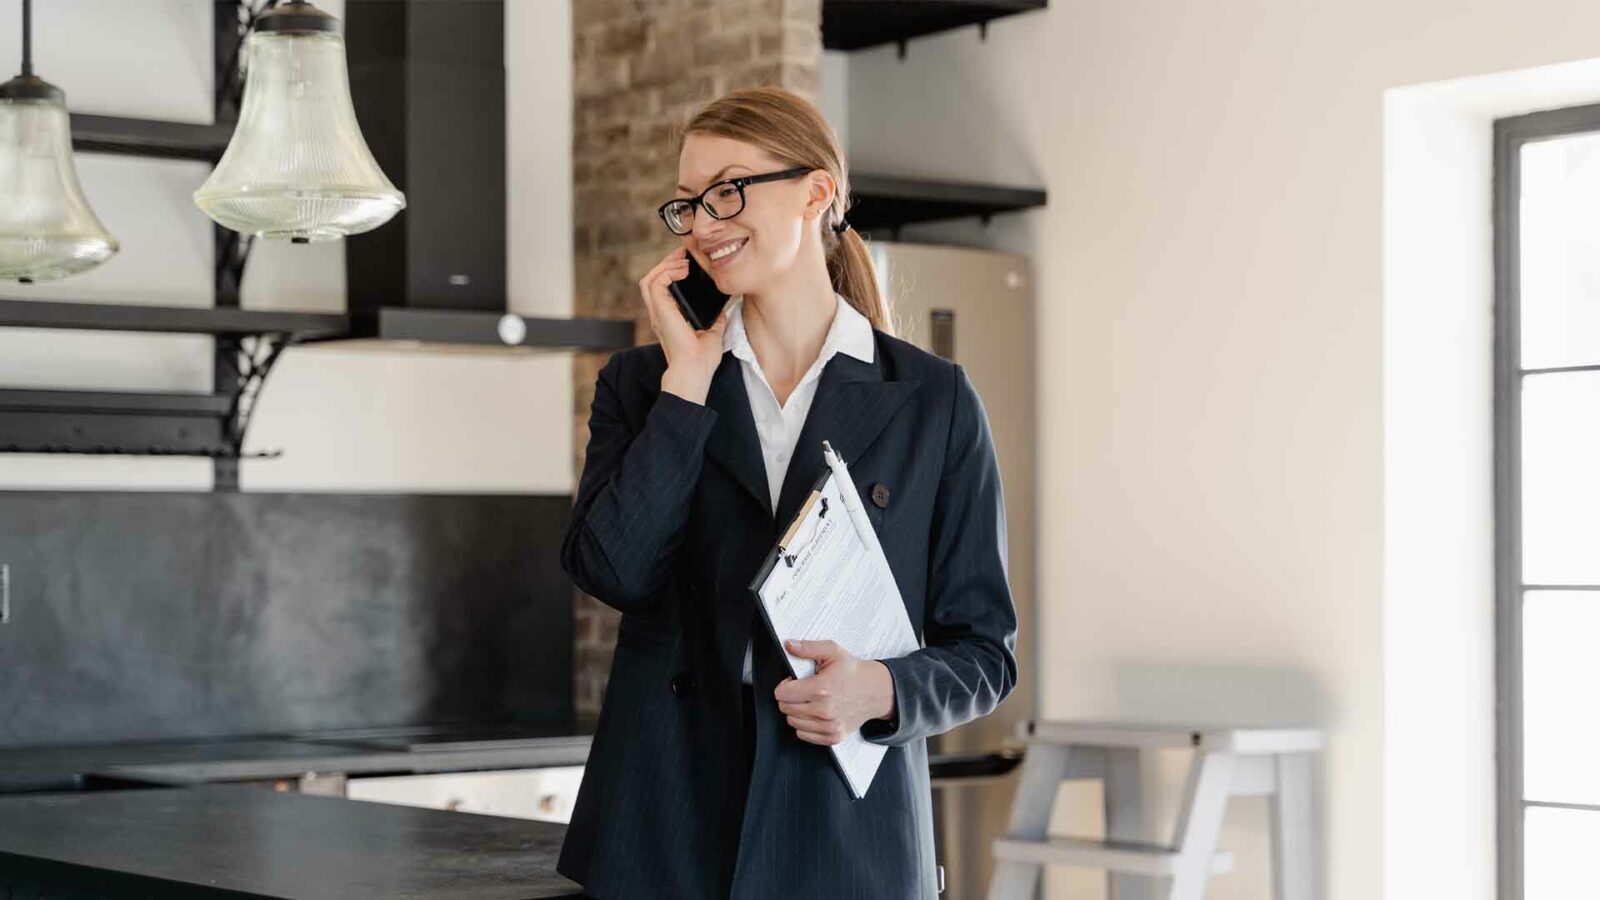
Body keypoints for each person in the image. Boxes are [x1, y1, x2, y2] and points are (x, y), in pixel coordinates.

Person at [557, 85, 1018, 900]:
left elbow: (985, 652)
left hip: (848, 835)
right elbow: (612, 572)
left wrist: (882, 690)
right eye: (688, 203)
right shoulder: (646, 385)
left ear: (817, 192)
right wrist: (687, 390)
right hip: (663, 827)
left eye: (729, 189)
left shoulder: (933, 400)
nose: (704, 222)